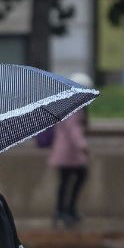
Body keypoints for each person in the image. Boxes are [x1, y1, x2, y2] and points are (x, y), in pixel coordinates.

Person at [49, 72, 92, 228]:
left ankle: (65, 210)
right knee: (70, 180)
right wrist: (83, 145)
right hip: (68, 152)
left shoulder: (68, 103)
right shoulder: (73, 106)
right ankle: (64, 211)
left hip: (69, 152)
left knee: (67, 181)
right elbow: (74, 129)